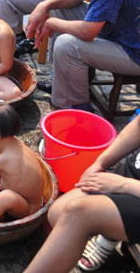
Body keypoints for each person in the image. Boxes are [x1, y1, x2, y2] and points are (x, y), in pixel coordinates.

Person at [24, 115, 140, 273]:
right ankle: (109, 235)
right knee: (58, 212)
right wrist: (100, 163)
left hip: (132, 187)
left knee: (78, 213)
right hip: (132, 174)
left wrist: (122, 185)